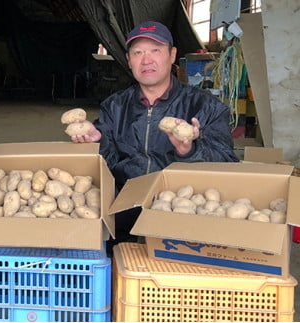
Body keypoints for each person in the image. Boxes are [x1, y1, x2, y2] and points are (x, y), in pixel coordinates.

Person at [71, 21, 239, 246]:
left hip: (181, 214)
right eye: (138, 52)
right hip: (122, 213)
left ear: (172, 55)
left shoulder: (205, 106)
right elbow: (105, 168)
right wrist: (98, 142)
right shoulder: (114, 106)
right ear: (129, 60)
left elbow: (228, 163)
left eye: (155, 51)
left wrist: (191, 150)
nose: (146, 60)